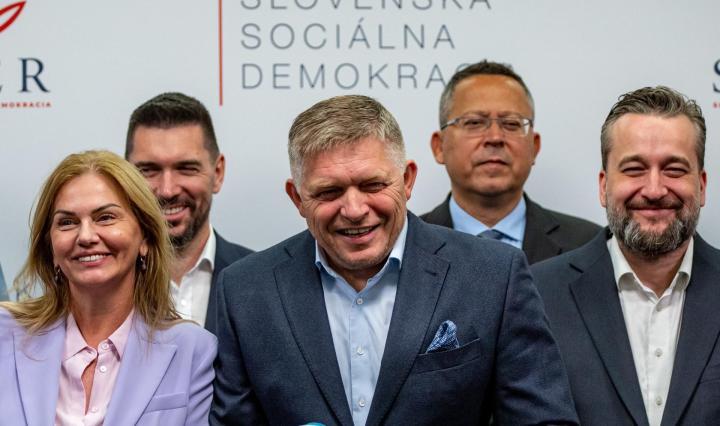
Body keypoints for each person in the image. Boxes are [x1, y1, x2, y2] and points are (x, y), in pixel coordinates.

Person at [211, 95, 578, 425]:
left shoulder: (493, 276)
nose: (354, 209)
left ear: (407, 180)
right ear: (297, 198)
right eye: (329, 192)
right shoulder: (246, 291)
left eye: (372, 185)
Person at [532, 86, 719, 425]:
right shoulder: (537, 294)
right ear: (603, 186)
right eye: (634, 169)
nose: (654, 190)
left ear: (702, 185)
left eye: (674, 169)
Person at [0, 150, 216, 425]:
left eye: (105, 218)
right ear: (51, 248)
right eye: (67, 222)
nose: (86, 236)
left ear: (145, 239)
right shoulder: (5, 334)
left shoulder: (192, 349)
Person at [421, 60, 601, 264]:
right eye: (474, 123)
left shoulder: (589, 245)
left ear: (534, 147)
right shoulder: (406, 242)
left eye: (511, 124)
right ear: (439, 146)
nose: (495, 137)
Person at [125, 92, 252, 333]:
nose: (167, 190)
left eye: (186, 168)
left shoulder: (261, 281)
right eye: (149, 170)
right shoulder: (100, 284)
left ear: (218, 173)